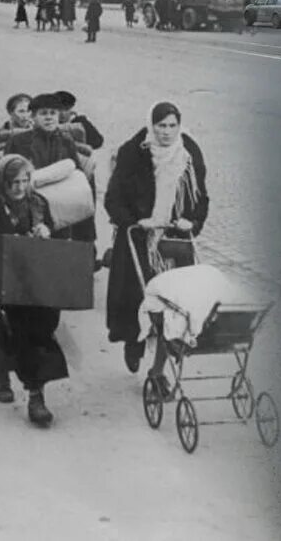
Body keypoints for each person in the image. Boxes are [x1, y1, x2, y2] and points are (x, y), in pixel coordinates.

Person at [104, 101, 209, 383]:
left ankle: (159, 369)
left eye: (172, 125)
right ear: (152, 125)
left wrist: (193, 222)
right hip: (139, 238)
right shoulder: (134, 152)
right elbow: (113, 198)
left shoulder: (189, 153)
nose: (166, 132)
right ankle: (133, 342)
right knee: (137, 298)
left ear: (179, 125)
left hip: (174, 239)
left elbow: (201, 197)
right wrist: (135, 221)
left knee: (173, 306)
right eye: (161, 126)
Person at [0, 154, 65, 426]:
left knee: (41, 331)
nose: (20, 187)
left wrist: (46, 232)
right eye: (13, 182)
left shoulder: (38, 204)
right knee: (3, 330)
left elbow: (56, 245)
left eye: (25, 180)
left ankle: (36, 392)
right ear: (2, 181)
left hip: (32, 282)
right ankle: (4, 373)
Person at [4, 93, 92, 242]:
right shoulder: (18, 141)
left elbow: (77, 176)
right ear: (33, 116)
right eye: (43, 113)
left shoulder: (66, 142)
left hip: (60, 208)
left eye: (53, 113)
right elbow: (6, 175)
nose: (49, 117)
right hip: (27, 206)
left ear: (59, 116)